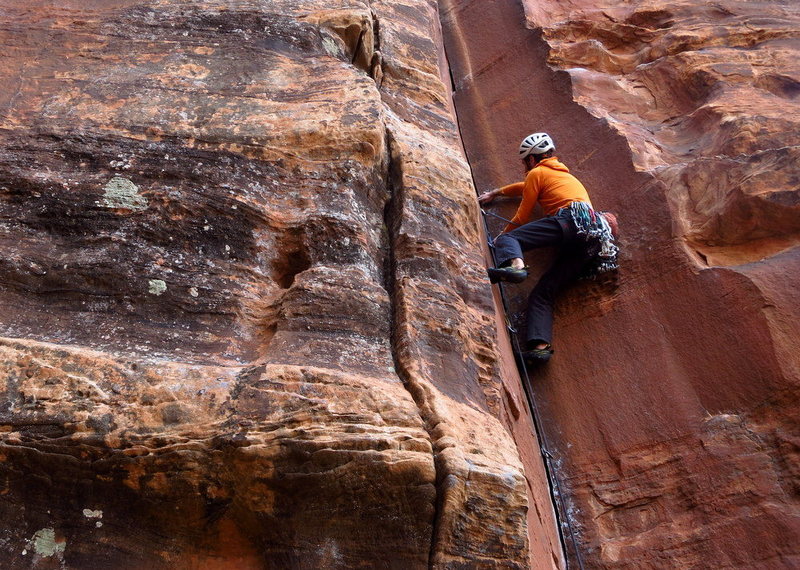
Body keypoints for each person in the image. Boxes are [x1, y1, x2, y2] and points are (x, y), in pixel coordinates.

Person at [478, 132, 618, 364]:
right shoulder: (564, 177)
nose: (525, 167)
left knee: (510, 240)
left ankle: (516, 267)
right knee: (544, 293)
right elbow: (523, 187)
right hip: (594, 239)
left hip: (571, 220)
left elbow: (523, 215)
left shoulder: (537, 172)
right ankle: (539, 348)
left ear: (531, 160)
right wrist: (497, 192)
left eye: (525, 162)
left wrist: (501, 240)